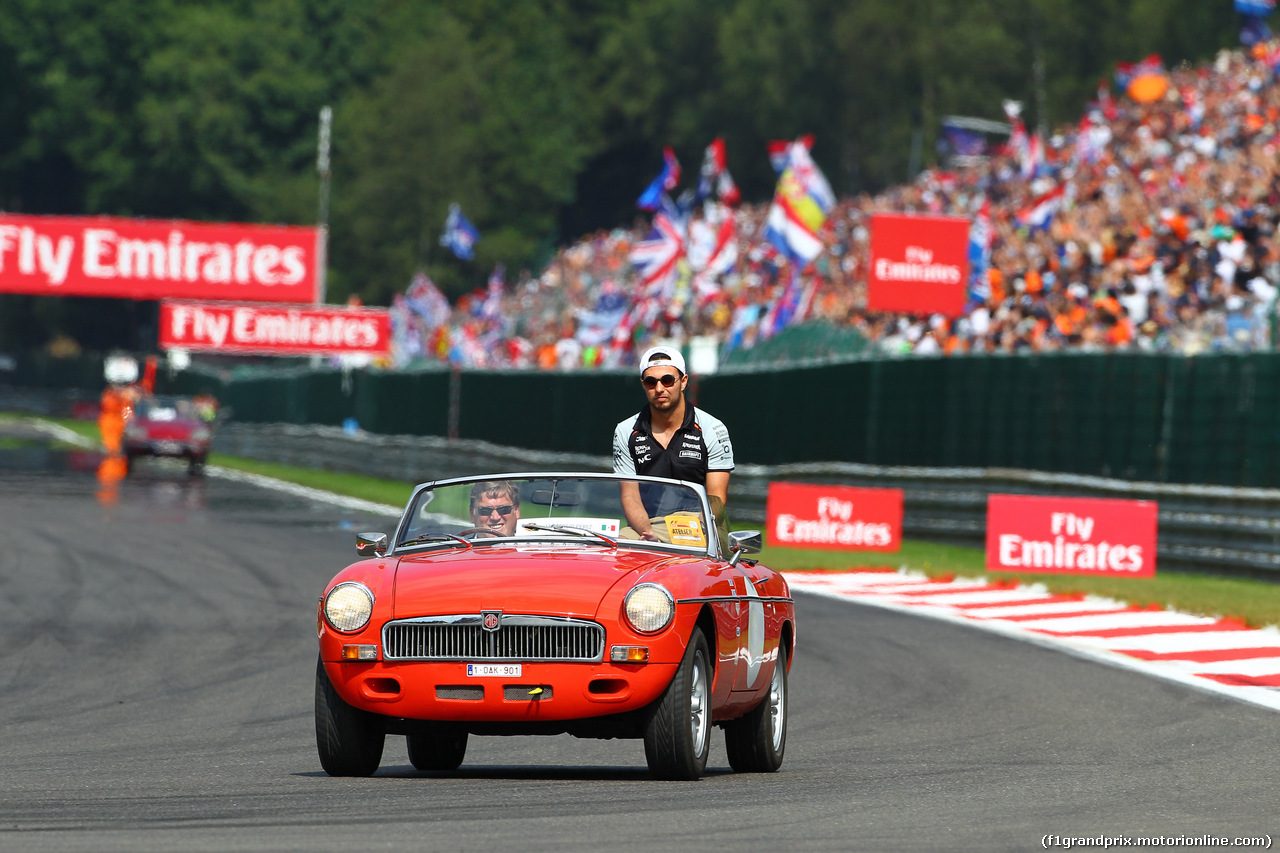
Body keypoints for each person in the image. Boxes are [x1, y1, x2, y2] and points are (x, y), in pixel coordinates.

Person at [612, 345, 734, 541]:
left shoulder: (713, 428)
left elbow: (716, 499)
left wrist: (691, 534)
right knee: (616, 549)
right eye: (651, 382)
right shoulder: (625, 431)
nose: (659, 388)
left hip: (700, 525)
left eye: (667, 380)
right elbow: (630, 496)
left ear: (683, 382)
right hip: (647, 524)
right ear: (643, 385)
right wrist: (649, 534)